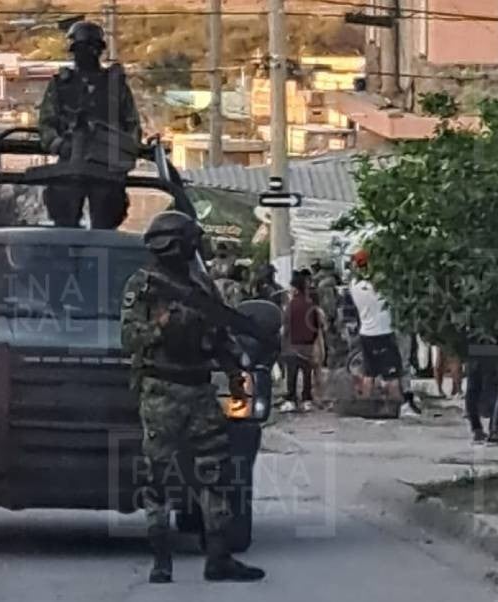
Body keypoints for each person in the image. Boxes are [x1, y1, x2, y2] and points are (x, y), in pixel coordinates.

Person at [121, 211, 265, 584]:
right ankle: (161, 562)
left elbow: (220, 336)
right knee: (158, 478)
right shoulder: (144, 286)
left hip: (199, 390)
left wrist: (235, 371)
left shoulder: (201, 287)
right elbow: (129, 339)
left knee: (216, 474)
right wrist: (161, 326)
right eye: (189, 241)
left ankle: (218, 558)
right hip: (161, 391)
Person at [38, 21, 142, 229]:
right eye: (81, 49)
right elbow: (46, 123)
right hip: (70, 161)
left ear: (99, 50)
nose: (86, 54)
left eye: (91, 48)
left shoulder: (114, 85)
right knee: (64, 219)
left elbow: (132, 126)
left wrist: (122, 152)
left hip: (106, 164)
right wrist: (59, 144)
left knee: (106, 221)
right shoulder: (61, 85)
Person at [347, 249, 404, 404]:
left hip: (366, 334)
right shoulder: (383, 287)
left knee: (369, 373)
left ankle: (365, 405)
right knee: (392, 375)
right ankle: (396, 406)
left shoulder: (354, 286)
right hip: (384, 332)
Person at [280, 271, 321, 413]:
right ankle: (306, 400)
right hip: (307, 345)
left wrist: (283, 343)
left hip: (292, 345)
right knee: (307, 374)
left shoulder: (291, 305)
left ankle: (291, 399)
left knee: (291, 374)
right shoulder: (310, 305)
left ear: (295, 288)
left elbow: (285, 325)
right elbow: (316, 326)